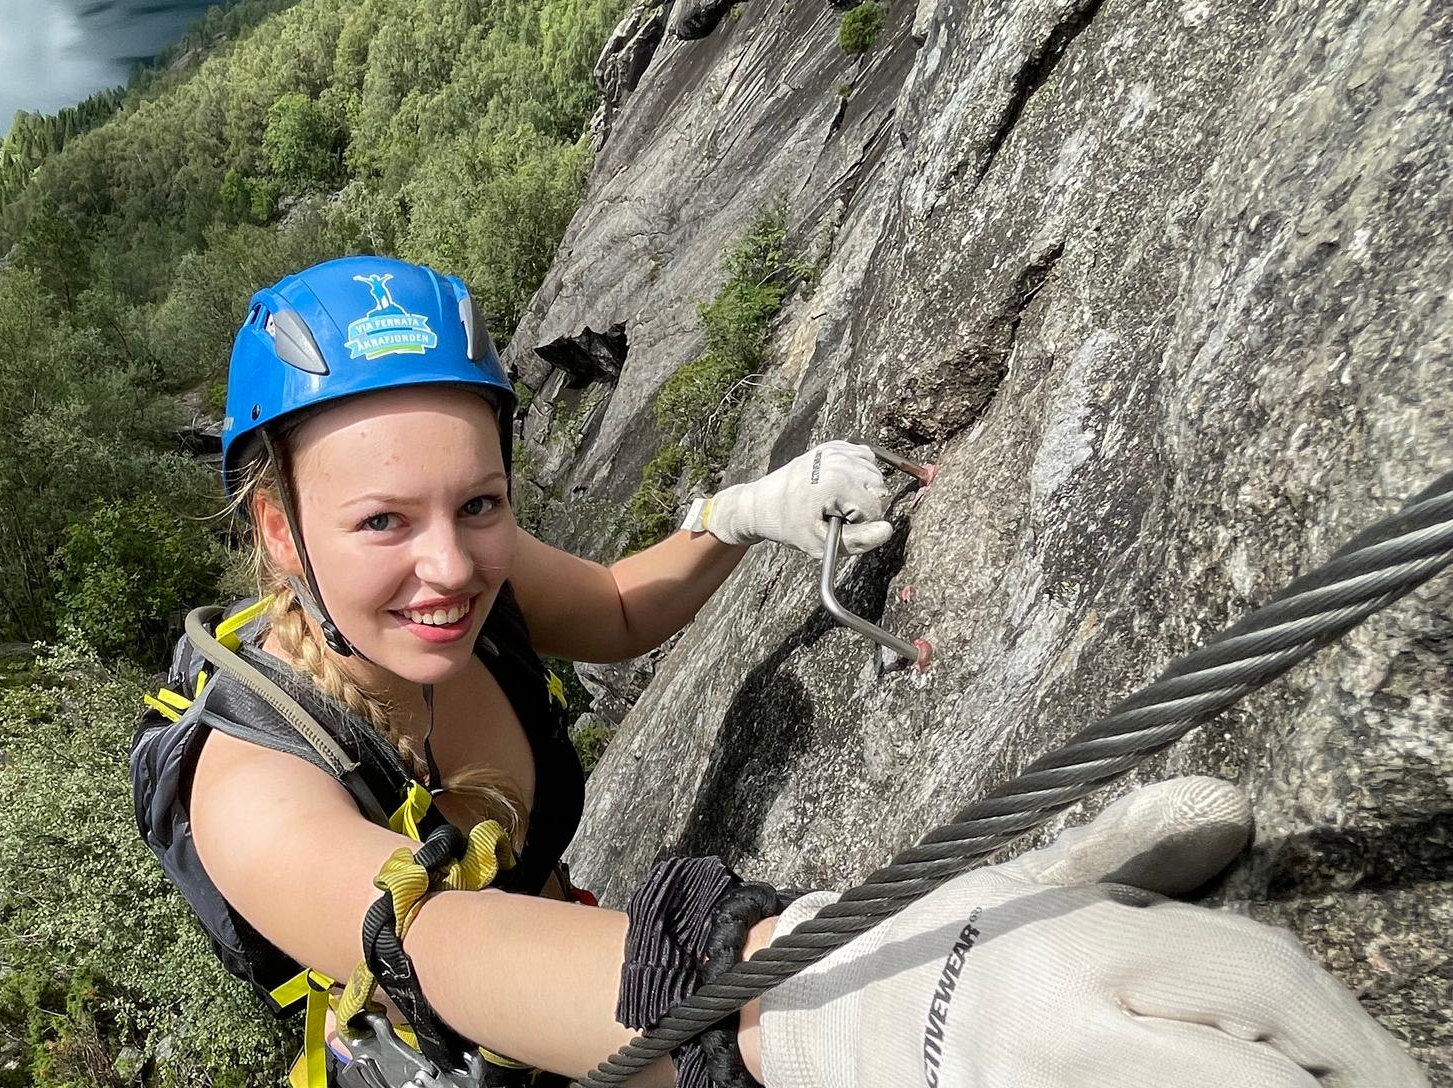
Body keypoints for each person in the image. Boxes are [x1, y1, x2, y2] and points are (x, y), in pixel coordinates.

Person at [131, 256, 1426, 1088]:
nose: (451, 566)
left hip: (591, 973)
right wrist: (828, 1006)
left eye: (479, 502)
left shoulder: (472, 572)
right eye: (380, 523)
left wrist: (743, 514)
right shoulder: (247, 782)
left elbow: (627, 609)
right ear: (278, 527)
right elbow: (440, 944)